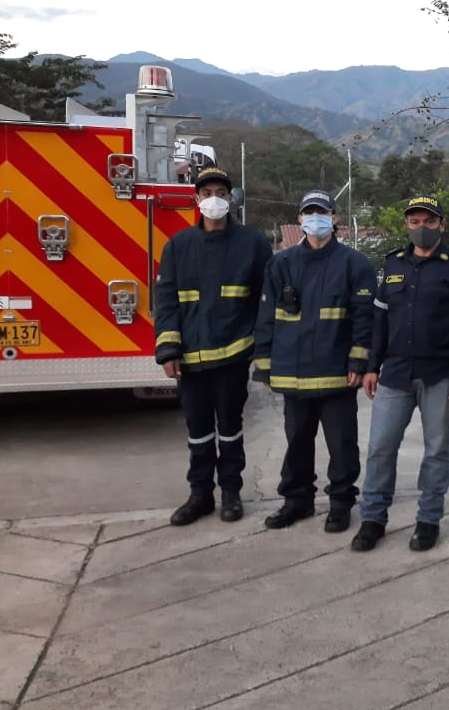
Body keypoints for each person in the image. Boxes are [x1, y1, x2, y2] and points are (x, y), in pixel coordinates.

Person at [350, 194, 449, 553]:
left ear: (442, 225)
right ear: (406, 225)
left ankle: (428, 520)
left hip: (441, 374)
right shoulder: (393, 264)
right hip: (394, 373)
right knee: (380, 448)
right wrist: (371, 367)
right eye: (414, 222)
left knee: (437, 450)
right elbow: (380, 318)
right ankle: (373, 519)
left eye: (428, 221)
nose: (421, 228)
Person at [253, 190, 376, 532]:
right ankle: (297, 502)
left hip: (338, 375)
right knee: (297, 442)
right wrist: (263, 362)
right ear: (299, 220)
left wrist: (358, 362)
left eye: (322, 212)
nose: (315, 218)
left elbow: (364, 319)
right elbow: (267, 316)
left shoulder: (355, 264)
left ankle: (340, 504)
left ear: (335, 218)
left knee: (342, 445)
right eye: (309, 213)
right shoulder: (281, 263)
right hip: (293, 374)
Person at [155, 166, 272, 527]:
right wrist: (168, 350)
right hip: (190, 360)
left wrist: (260, 344)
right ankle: (200, 495)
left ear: (231, 199)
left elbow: (265, 299)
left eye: (221, 192)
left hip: (234, 355)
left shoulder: (252, 244)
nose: (213, 199)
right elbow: (167, 300)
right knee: (198, 431)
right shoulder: (178, 245)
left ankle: (231, 494)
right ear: (196, 199)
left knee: (231, 429)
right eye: (206, 193)